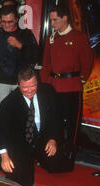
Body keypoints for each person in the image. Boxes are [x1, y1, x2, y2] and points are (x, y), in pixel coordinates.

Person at [40, 3, 93, 172]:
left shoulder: (79, 37)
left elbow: (87, 62)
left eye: (55, 20)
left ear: (65, 18)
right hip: (54, 87)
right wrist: (43, 85)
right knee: (52, 122)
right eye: (51, 20)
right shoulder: (51, 38)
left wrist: (81, 79)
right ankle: (51, 152)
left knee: (72, 124)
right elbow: (46, 64)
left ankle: (70, 152)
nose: (53, 23)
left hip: (72, 86)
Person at [0, 66, 67, 186]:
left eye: (33, 86)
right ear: (18, 85)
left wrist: (53, 139)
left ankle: (39, 158)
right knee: (26, 181)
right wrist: (4, 156)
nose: (29, 90)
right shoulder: (8, 104)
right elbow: (2, 132)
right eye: (25, 87)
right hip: (21, 143)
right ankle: (0, 163)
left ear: (37, 83)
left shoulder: (48, 91)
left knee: (58, 165)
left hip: (43, 138)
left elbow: (56, 117)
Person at [0, 5, 38, 108]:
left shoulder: (26, 34)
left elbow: (34, 56)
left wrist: (20, 46)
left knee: (21, 112)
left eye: (10, 22)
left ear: (16, 20)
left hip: (21, 81)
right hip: (1, 81)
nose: (6, 25)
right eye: (3, 22)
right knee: (1, 112)